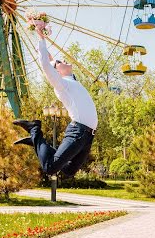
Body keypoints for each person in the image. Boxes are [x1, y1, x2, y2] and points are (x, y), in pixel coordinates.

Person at [13, 21, 98, 176]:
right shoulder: (61, 84)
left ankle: (37, 142)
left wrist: (43, 41)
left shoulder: (72, 80)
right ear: (57, 72)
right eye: (59, 62)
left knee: (70, 170)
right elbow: (47, 64)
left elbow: (50, 60)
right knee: (50, 168)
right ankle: (34, 129)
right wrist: (40, 36)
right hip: (78, 131)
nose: (62, 60)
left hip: (88, 135)